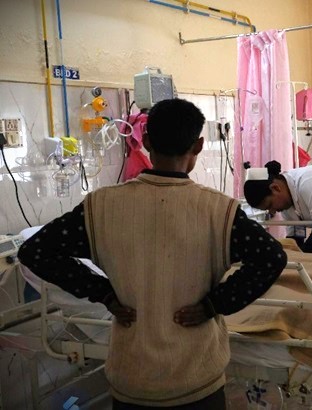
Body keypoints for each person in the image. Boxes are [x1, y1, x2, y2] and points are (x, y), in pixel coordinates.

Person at [18, 98, 288, 409]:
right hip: (197, 378)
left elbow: (34, 251)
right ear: (198, 146)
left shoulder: (101, 207)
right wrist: (215, 304)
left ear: (145, 142)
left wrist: (103, 293)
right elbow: (272, 258)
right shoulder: (219, 211)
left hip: (133, 379)